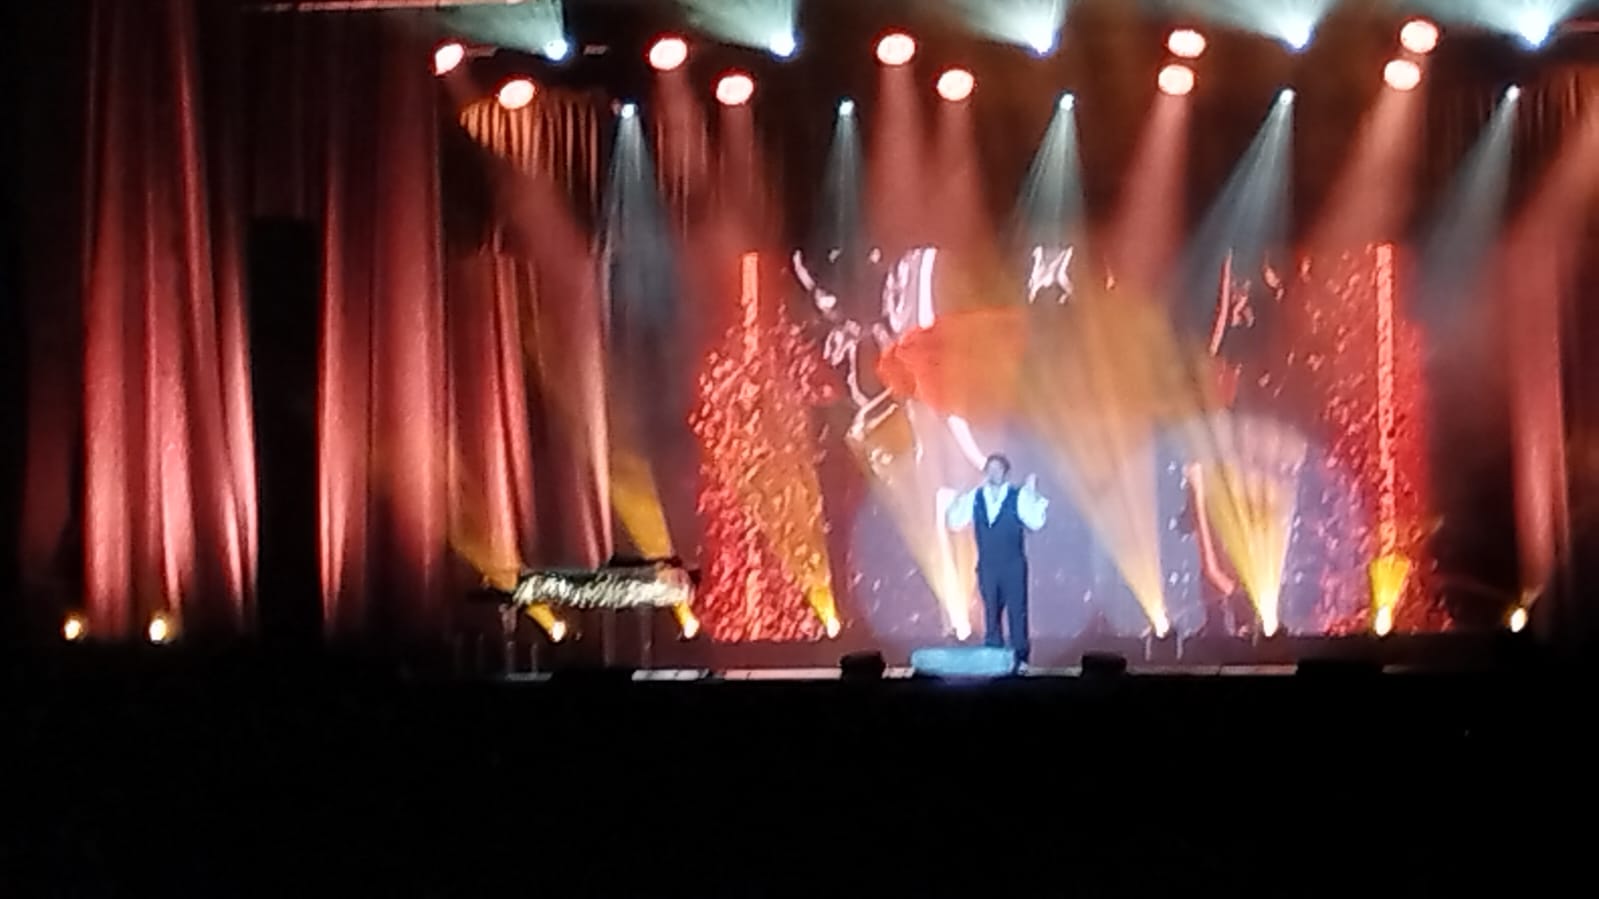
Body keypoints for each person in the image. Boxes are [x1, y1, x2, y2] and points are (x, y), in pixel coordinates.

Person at [943, 453, 1048, 667]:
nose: (993, 473)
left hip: (1013, 565)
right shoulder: (975, 497)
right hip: (988, 566)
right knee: (991, 612)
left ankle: (1021, 659)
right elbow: (954, 522)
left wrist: (1032, 493)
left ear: (1005, 472)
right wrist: (958, 497)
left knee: (1017, 612)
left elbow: (1036, 522)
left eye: (997, 469)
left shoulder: (1018, 496)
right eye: (990, 469)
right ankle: (993, 657)